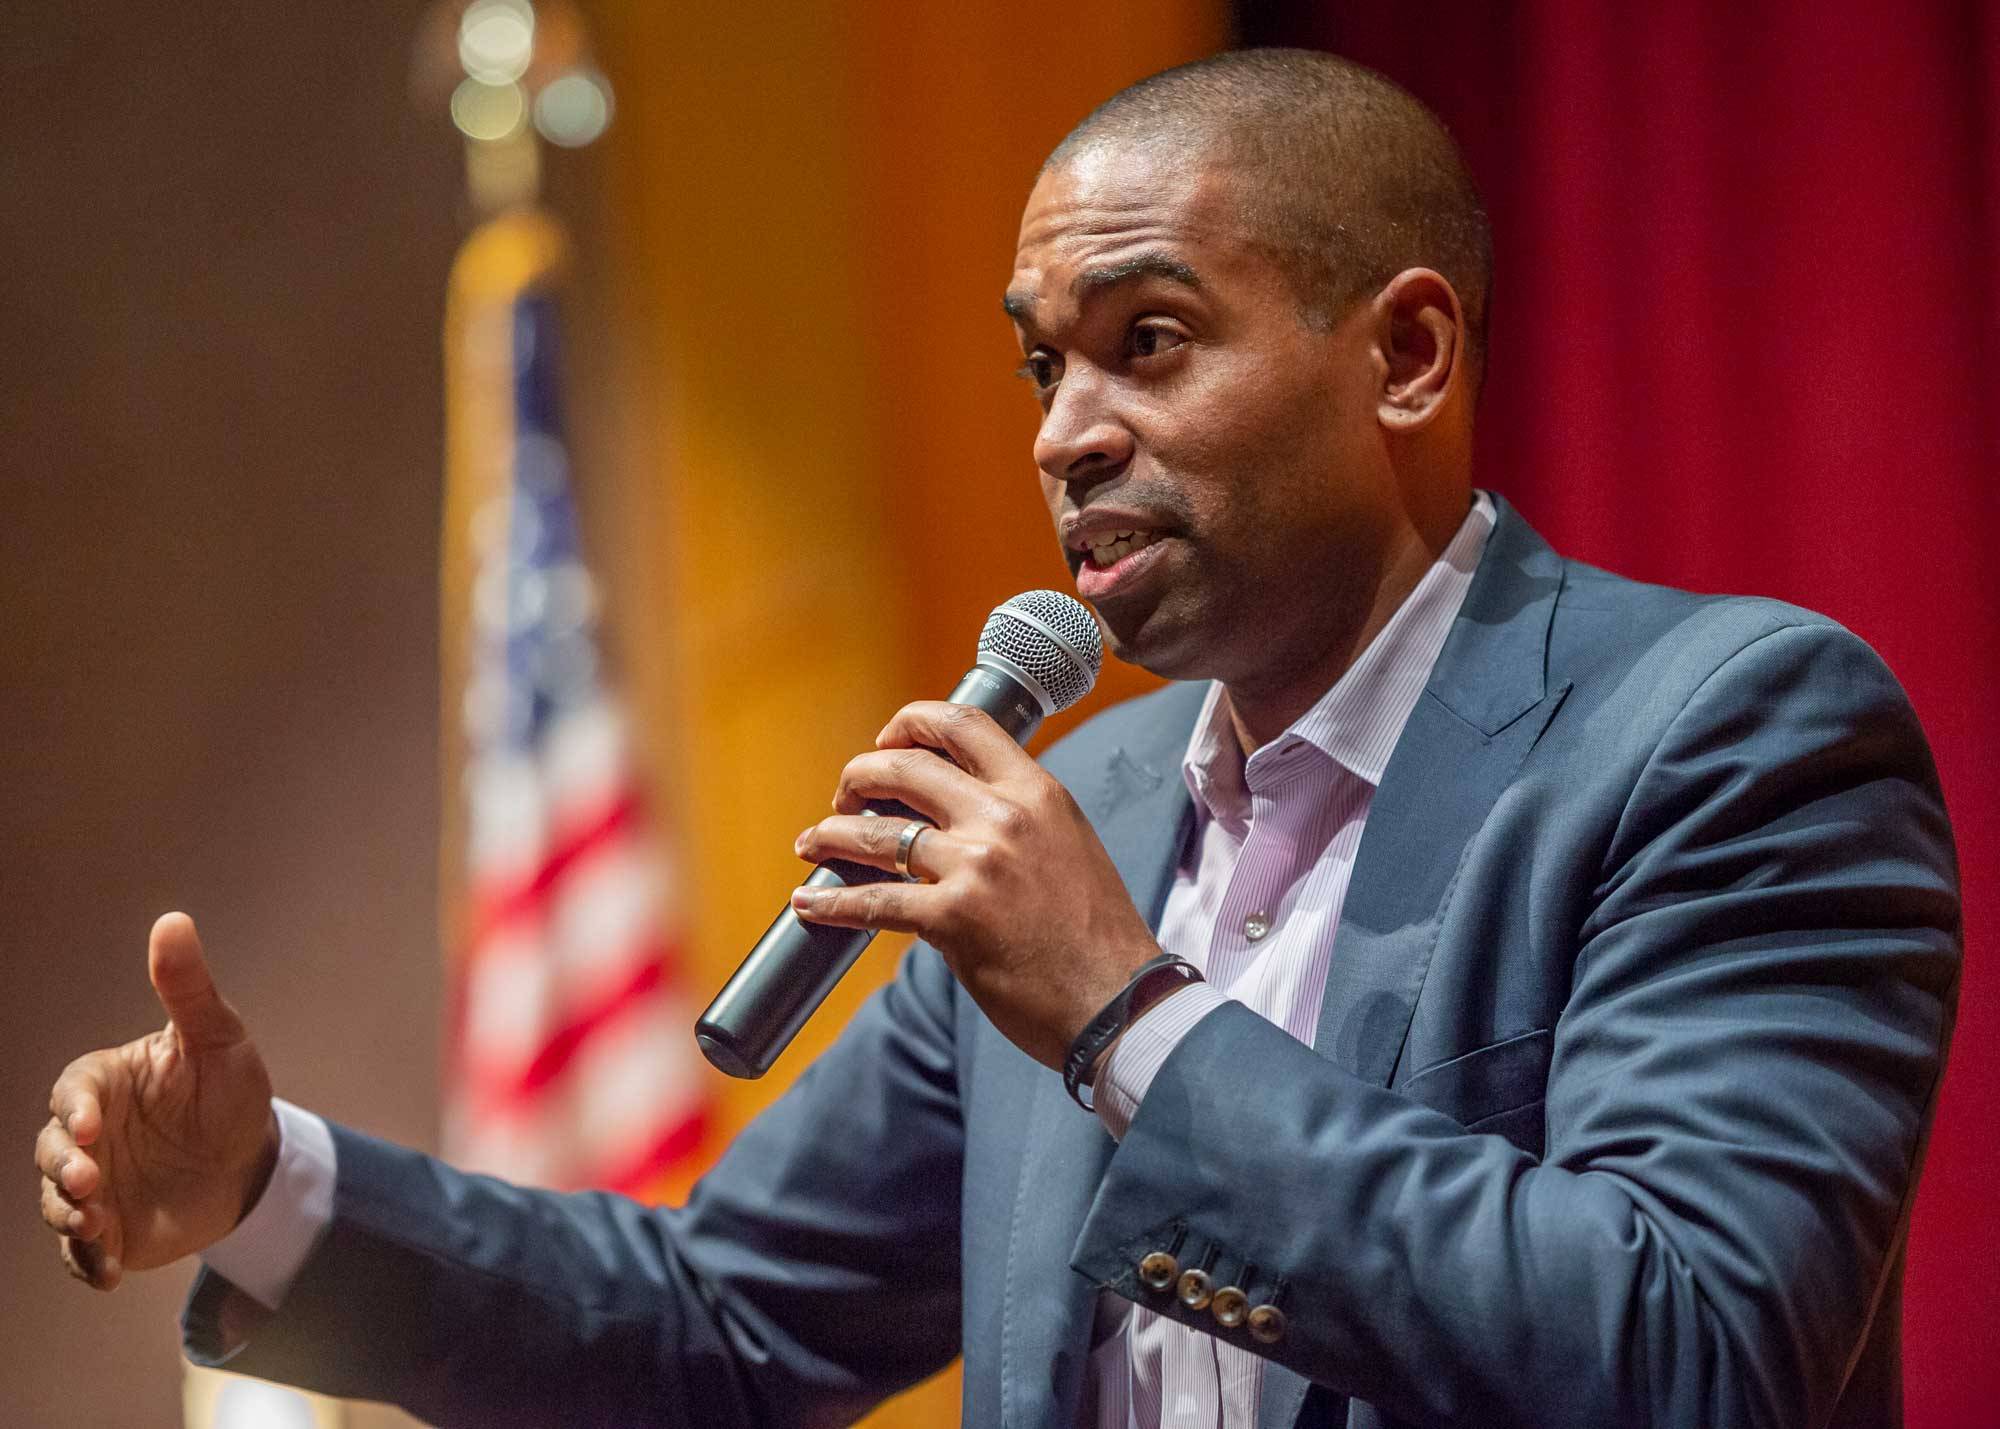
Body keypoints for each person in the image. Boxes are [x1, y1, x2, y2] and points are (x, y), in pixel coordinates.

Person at [33, 48, 1959, 1429]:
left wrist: (1127, 1015)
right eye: (1046, 362)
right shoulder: (1084, 815)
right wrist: (267, 1189)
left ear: (1405, 355)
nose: (1063, 431)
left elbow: (1693, 1352)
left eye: (1149, 339)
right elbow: (722, 1325)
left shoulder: (1722, 736)